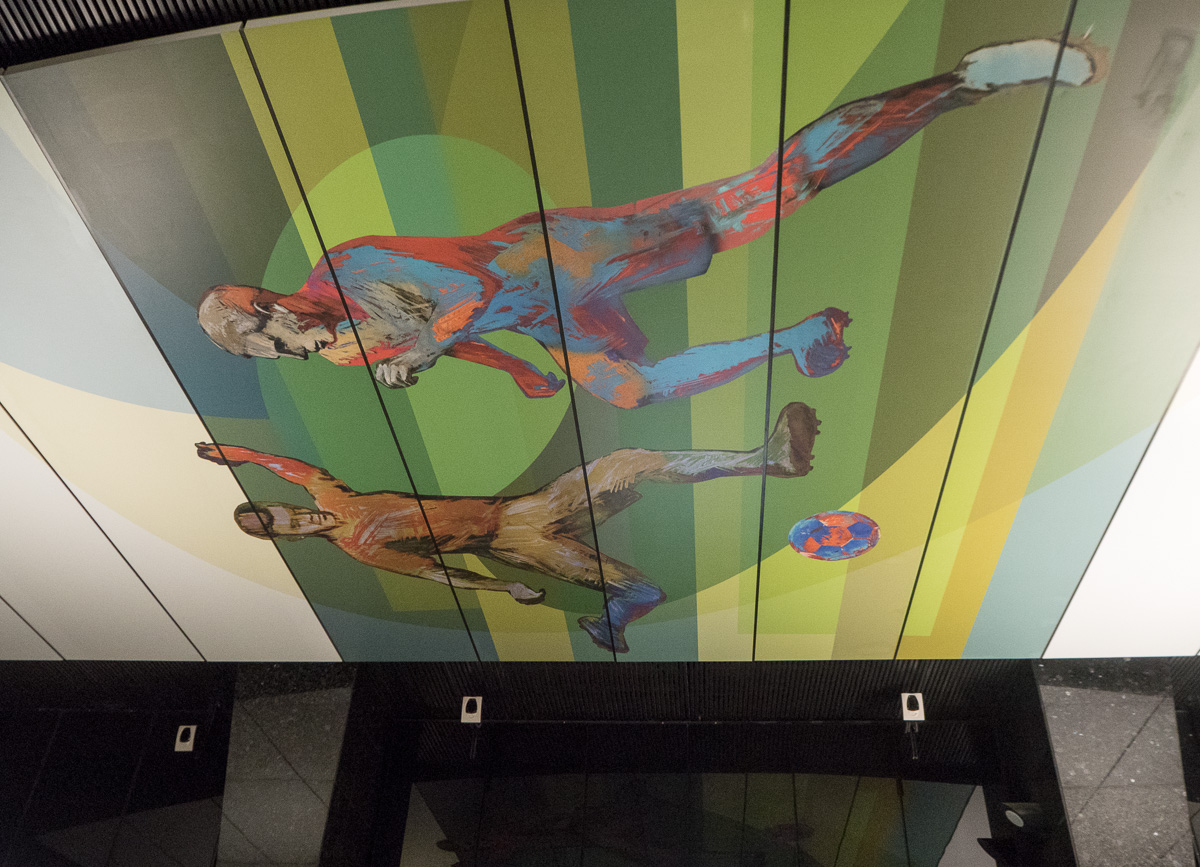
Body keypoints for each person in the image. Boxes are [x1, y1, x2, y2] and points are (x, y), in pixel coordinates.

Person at [198, 37, 1104, 408]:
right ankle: (796, 338)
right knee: (630, 392)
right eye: (273, 354)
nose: (290, 350)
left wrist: (431, 346)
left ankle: (968, 81)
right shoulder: (339, 348)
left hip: (563, 259)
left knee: (776, 190)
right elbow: (454, 338)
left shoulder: (350, 266)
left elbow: (465, 287)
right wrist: (517, 369)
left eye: (273, 336)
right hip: (540, 316)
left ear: (268, 303)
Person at [197, 402, 819, 652]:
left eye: (284, 509)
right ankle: (616, 618)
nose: (297, 516)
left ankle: (768, 459)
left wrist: (242, 454)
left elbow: (292, 467)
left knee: (625, 463)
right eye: (286, 525)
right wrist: (505, 588)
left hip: (522, 510)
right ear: (291, 537)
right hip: (512, 543)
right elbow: (441, 575)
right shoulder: (361, 548)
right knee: (639, 588)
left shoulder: (332, 495)